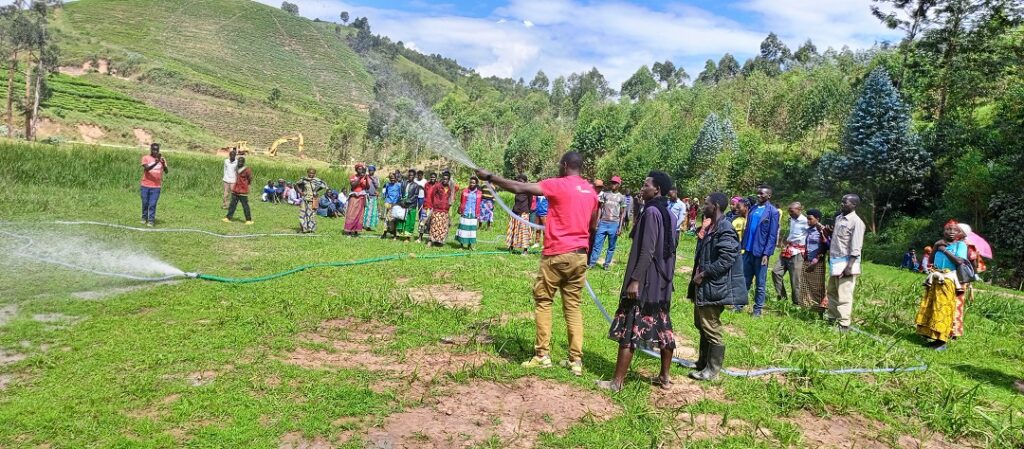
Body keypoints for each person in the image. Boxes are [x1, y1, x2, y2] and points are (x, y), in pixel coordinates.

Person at [475, 152, 598, 377]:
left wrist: (490, 177)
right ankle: (576, 361)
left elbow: (519, 188)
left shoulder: (557, 184)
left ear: (565, 165)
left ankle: (542, 355)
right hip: (580, 255)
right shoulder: (591, 191)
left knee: (543, 301)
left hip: (556, 253)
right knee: (573, 307)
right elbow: (593, 225)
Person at [596, 172, 678, 392]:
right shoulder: (669, 214)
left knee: (631, 327)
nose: (642, 188)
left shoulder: (651, 212)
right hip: (662, 282)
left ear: (657, 189)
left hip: (646, 282)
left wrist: (635, 280)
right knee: (662, 326)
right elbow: (671, 251)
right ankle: (665, 377)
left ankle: (617, 382)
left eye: (646, 185)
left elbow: (647, 250)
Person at [687, 192, 746, 381]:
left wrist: (704, 274)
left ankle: (712, 370)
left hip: (714, 286)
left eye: (707, 204)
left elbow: (727, 259)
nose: (704, 207)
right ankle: (702, 362)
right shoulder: (713, 226)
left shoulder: (725, 229)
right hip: (704, 286)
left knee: (711, 327)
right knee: (701, 324)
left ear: (716, 207)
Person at [735, 185, 780, 317]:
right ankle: (739, 305)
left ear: (769, 196)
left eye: (762, 194)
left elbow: (772, 235)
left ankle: (757, 310)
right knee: (744, 279)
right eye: (758, 193)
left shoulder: (773, 212)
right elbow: (748, 228)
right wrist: (742, 246)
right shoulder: (753, 208)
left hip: (760, 253)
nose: (759, 195)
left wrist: (767, 253)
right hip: (748, 250)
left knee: (760, 283)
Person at [826, 194, 866, 332]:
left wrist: (849, 266)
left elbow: (856, 247)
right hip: (835, 262)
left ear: (854, 205)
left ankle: (843, 324)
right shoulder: (838, 218)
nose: (842, 204)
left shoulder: (857, 222)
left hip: (846, 263)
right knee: (831, 291)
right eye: (841, 202)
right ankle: (831, 317)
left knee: (844, 294)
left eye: (845, 202)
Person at [772, 202, 809, 305]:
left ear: (799, 210)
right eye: (789, 211)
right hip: (788, 249)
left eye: (792, 211)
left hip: (798, 252)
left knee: (795, 279)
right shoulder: (791, 220)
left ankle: (796, 303)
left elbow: (811, 234)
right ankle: (782, 297)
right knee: (776, 272)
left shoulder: (805, 221)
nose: (790, 213)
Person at [589, 176, 627, 270]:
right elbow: (600, 210)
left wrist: (620, 227)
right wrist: (597, 222)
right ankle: (592, 263)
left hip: (614, 224)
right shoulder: (605, 195)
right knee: (597, 244)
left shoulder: (621, 197)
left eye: (615, 183)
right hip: (603, 223)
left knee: (611, 246)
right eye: (612, 183)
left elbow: (622, 213)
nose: (613, 185)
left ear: (619, 185)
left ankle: (606, 264)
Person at [799, 209, 830, 311]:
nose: (808, 221)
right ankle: (806, 309)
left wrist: (815, 261)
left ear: (817, 219)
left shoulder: (822, 231)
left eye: (810, 219)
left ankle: (819, 311)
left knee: (817, 288)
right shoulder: (809, 230)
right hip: (807, 261)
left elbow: (825, 247)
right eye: (807, 219)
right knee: (805, 287)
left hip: (817, 264)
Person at [140, 143, 168, 227]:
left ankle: (151, 220)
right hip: (145, 185)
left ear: (159, 150)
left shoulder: (162, 159)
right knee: (145, 203)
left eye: (157, 150)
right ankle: (144, 217)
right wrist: (156, 162)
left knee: (152, 204)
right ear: (151, 149)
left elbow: (166, 171)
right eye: (153, 149)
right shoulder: (145, 158)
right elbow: (147, 169)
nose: (155, 151)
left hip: (156, 187)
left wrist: (162, 163)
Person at [505, 174, 533, 255]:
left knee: (524, 231)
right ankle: (511, 247)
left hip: (523, 213)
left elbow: (530, 202)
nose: (518, 182)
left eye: (520, 181)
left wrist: (526, 210)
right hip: (515, 212)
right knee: (513, 230)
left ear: (525, 181)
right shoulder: (517, 190)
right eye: (518, 180)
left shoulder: (528, 190)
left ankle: (525, 250)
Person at [222, 156, 253, 224]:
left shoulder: (247, 170)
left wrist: (246, 185)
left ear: (243, 162)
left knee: (245, 206)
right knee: (232, 205)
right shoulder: (236, 168)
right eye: (239, 161)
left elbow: (250, 179)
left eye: (241, 162)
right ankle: (228, 217)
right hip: (235, 190)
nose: (239, 163)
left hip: (243, 191)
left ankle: (248, 220)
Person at [295, 168, 327, 233]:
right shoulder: (304, 180)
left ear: (315, 174)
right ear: (307, 173)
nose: (311, 174)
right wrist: (300, 192)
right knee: (303, 213)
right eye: (310, 173)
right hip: (305, 199)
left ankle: (311, 229)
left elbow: (324, 185)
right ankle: (304, 229)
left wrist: (316, 191)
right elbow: (296, 185)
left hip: (313, 199)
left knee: (312, 214)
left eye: (312, 173)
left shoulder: (317, 180)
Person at [456, 177, 483, 250]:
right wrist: (461, 209)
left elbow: (480, 203)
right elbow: (461, 201)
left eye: (473, 183)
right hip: (465, 212)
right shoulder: (465, 191)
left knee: (471, 230)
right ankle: (461, 245)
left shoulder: (479, 193)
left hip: (474, 213)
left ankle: (470, 245)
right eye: (471, 182)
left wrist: (478, 213)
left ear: (476, 184)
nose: (472, 184)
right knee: (463, 229)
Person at [427, 172, 453, 246]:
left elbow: (448, 197)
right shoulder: (437, 186)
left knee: (442, 226)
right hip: (437, 209)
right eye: (444, 178)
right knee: (434, 225)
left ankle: (439, 241)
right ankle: (431, 241)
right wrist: (436, 203)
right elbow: (432, 195)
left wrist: (447, 205)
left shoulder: (449, 188)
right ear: (442, 178)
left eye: (447, 179)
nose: (445, 180)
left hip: (445, 210)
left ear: (448, 180)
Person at [344, 164, 369, 237]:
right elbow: (353, 185)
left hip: (361, 197)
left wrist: (366, 178)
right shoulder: (353, 177)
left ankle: (355, 231)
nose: (360, 170)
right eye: (359, 169)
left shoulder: (365, 177)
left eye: (361, 169)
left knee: (360, 214)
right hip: (354, 197)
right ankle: (348, 230)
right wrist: (359, 178)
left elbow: (367, 187)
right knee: (351, 213)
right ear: (356, 169)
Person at [398, 169, 422, 238]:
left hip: (411, 205)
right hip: (403, 204)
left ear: (414, 176)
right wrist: (402, 200)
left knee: (410, 221)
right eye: (409, 175)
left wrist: (407, 201)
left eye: (412, 175)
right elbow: (400, 192)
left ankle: (407, 237)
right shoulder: (404, 183)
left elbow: (415, 196)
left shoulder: (416, 185)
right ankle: (399, 234)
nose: (410, 176)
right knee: (401, 219)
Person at [419, 172, 439, 242]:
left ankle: (430, 239)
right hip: (426, 205)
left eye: (434, 177)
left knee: (432, 223)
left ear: (436, 178)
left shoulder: (438, 185)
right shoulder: (427, 184)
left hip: (433, 207)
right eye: (431, 177)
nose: (432, 178)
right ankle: (420, 237)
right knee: (422, 222)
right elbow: (425, 194)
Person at [381, 173, 402, 239]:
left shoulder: (399, 185)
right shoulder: (387, 185)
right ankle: (384, 233)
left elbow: (400, 194)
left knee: (395, 219)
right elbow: (385, 193)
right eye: (391, 179)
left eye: (393, 178)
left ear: (396, 178)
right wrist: (386, 199)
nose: (392, 180)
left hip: (396, 204)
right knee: (387, 219)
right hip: (389, 203)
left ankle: (395, 234)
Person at [363, 165, 380, 231]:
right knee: (366, 211)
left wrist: (373, 179)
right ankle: (364, 225)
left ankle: (369, 226)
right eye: (369, 170)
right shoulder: (365, 177)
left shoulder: (376, 178)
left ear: (374, 171)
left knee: (372, 212)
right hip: (367, 196)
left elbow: (377, 186)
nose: (370, 171)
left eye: (372, 170)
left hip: (373, 196)